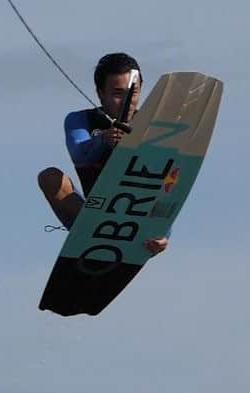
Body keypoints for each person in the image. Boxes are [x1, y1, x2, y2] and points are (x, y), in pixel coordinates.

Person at [37, 52, 169, 256]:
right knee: (50, 177)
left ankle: (153, 237)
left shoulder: (154, 129)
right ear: (100, 93)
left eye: (132, 93)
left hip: (139, 223)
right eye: (117, 93)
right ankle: (93, 231)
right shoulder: (80, 120)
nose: (126, 102)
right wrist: (103, 140)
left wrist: (165, 233)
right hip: (92, 216)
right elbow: (79, 154)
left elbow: (169, 184)